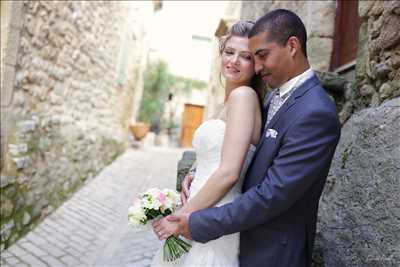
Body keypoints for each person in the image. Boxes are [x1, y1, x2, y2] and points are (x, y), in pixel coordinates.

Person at [153, 9, 341, 267]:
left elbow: (272, 194)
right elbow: (243, 152)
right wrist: (199, 170)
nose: (258, 66)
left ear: (292, 46)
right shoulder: (273, 96)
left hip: (272, 250)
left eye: (259, 56)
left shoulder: (316, 111)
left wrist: (192, 220)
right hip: (242, 235)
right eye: (231, 53)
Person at [150, 20, 264, 266]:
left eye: (245, 56)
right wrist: (194, 171)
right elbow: (218, 153)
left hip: (214, 212)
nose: (233, 61)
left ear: (256, 64)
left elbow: (229, 172)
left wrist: (181, 216)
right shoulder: (228, 102)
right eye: (229, 52)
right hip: (199, 207)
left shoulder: (244, 97)